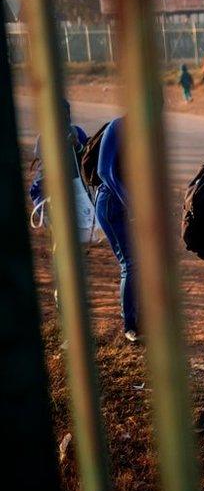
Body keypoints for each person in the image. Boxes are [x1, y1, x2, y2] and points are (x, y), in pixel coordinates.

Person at [94, 117, 139, 343]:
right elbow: (106, 172)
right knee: (130, 263)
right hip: (111, 205)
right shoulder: (118, 127)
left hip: (131, 206)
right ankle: (130, 327)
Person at [29, 99, 88, 211]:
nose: (64, 118)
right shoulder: (44, 137)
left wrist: (77, 145)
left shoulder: (77, 132)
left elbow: (86, 158)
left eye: (66, 114)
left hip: (77, 189)